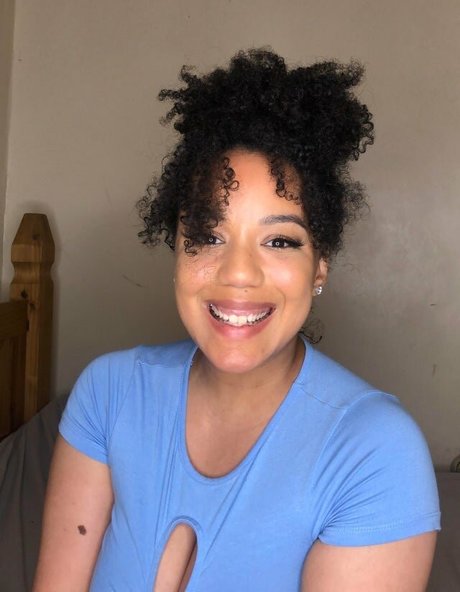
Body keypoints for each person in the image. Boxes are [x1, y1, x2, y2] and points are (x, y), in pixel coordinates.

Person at [33, 49, 440, 591]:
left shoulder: (374, 453)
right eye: (208, 236)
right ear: (176, 250)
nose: (239, 273)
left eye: (280, 240)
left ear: (319, 265)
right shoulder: (107, 395)